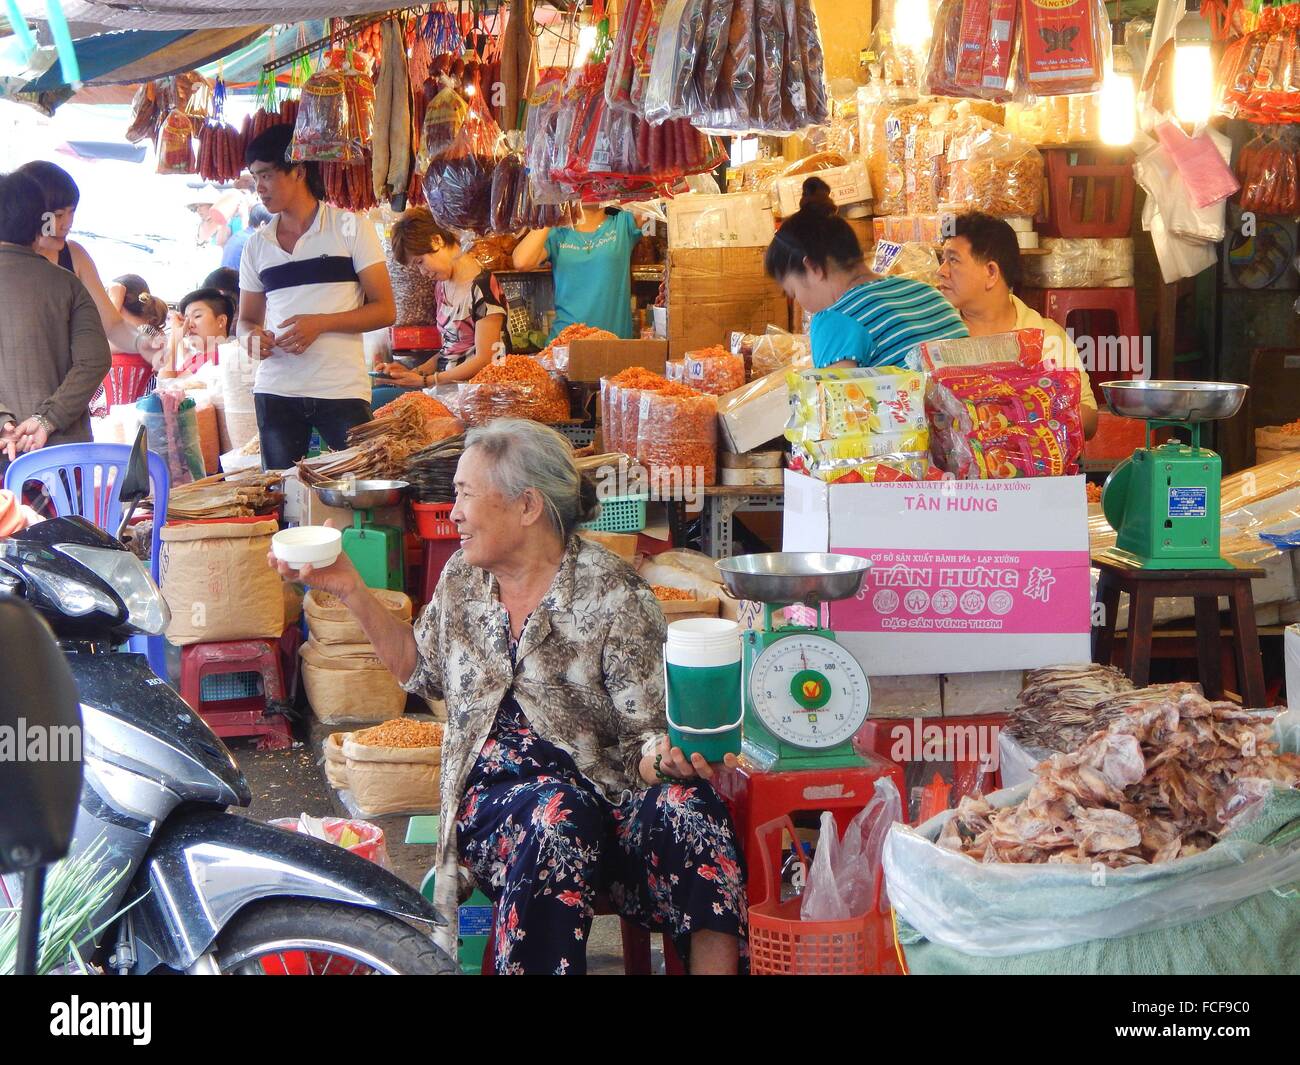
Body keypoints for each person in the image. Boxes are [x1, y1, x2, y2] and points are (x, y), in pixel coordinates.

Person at [269, 420, 747, 975]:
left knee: (696, 813)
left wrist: (664, 760)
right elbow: (420, 672)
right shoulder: (462, 582)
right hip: (499, 806)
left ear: (527, 506)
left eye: (466, 494)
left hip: (610, 800)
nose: (454, 513)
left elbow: (644, 733)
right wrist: (351, 587)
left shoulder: (612, 591)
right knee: (556, 818)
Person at [238, 124, 396, 469]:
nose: (259, 189)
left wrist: (321, 324)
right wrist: (250, 338)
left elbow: (385, 310)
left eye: (266, 176)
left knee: (360, 484)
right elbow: (246, 320)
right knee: (282, 494)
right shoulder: (256, 245)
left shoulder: (351, 227)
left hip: (340, 388)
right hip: (275, 389)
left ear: (298, 170)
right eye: (254, 179)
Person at [765, 178, 968, 369]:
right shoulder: (927, 293)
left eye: (793, 291)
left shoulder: (835, 320)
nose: (801, 303)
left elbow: (837, 402)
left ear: (813, 268)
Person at [937, 212, 1099, 439]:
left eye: (953, 260)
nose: (941, 271)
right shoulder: (933, 334)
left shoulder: (1047, 337)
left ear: (991, 272)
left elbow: (1090, 418)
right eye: (942, 260)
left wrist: (1027, 411)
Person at [0, 170, 110, 463]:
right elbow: (95, 360)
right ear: (40, 225)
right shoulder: (68, 285)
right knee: (65, 512)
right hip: (61, 459)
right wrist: (46, 419)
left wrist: (3, 422)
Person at [18, 160, 167, 369]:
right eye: (59, 215)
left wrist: (140, 342)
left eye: (72, 212)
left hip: (63, 386)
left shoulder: (75, 255)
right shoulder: (9, 262)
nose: (67, 223)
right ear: (28, 212)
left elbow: (112, 324)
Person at [371, 207, 507, 407]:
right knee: (375, 395)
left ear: (437, 240)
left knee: (377, 402)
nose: (422, 272)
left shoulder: (483, 287)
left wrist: (426, 381)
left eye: (420, 262)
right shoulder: (442, 286)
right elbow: (450, 350)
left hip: (476, 396)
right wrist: (411, 373)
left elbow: (487, 359)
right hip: (445, 391)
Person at [512, 203, 644, 341]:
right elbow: (522, 262)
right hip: (566, 347)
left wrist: (617, 188)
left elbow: (657, 195)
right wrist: (553, 210)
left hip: (614, 346)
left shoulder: (622, 223)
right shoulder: (558, 232)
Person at [163, 287, 236, 377]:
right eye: (186, 318)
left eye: (197, 316)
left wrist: (174, 339)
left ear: (221, 321)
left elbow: (166, 385)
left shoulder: (223, 359)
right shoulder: (198, 358)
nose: (189, 325)